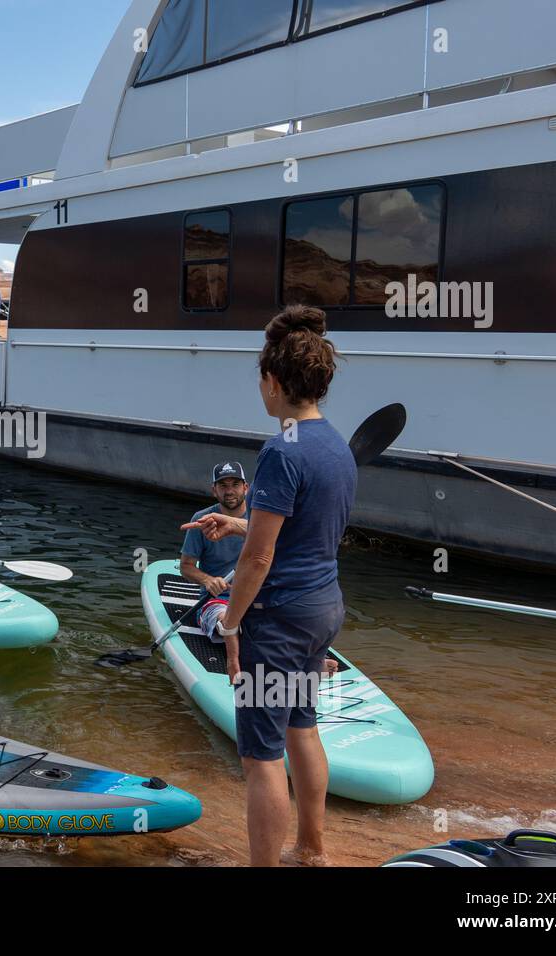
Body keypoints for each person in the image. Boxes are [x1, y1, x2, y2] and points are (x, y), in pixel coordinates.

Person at [182, 305, 356, 867]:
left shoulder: (280, 448)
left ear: (274, 381)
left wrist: (231, 622)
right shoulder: (336, 444)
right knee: (303, 726)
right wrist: (235, 521)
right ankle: (313, 849)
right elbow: (305, 524)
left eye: (260, 379)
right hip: (322, 610)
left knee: (261, 756)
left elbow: (259, 556)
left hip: (278, 618)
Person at [181, 462, 248, 639]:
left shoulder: (262, 518)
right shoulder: (202, 519)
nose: (229, 491)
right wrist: (208, 580)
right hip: (217, 600)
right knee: (227, 621)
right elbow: (186, 566)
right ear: (214, 490)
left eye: (235, 484)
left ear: (246, 488)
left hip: (259, 600)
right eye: (223, 485)